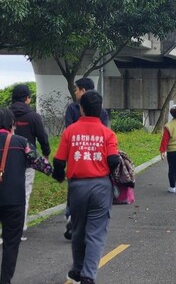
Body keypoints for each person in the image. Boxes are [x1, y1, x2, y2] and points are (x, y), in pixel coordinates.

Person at [52, 91, 120, 284]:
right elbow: (113, 159)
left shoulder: (70, 131)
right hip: (100, 186)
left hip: (77, 187)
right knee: (96, 232)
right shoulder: (108, 133)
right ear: (100, 110)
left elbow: (58, 161)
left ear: (81, 109)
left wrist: (58, 176)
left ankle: (77, 269)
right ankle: (88, 275)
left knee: (78, 230)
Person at [0, 108, 53, 284]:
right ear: (11, 125)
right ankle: (5, 280)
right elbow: (44, 166)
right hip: (13, 201)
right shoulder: (21, 143)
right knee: (11, 243)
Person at [63, 77, 108, 240]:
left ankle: (71, 217)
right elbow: (106, 134)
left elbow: (68, 131)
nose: (75, 92)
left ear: (83, 90)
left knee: (74, 188)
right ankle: (82, 222)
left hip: (77, 157)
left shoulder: (72, 109)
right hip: (96, 160)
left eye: (76, 89)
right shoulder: (101, 111)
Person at [9, 84, 51, 241]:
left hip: (6, 161)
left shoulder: (6, 114)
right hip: (27, 161)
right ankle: (19, 229)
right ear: (27, 98)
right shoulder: (33, 116)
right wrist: (46, 155)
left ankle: (8, 226)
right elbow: (42, 138)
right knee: (24, 194)